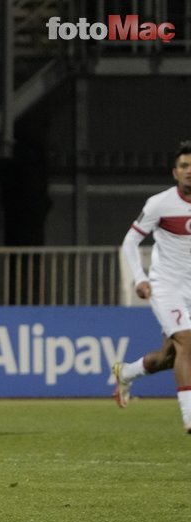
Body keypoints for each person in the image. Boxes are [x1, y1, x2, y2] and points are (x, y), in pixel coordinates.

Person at [113, 140, 191, 432]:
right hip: (166, 285)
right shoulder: (160, 204)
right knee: (188, 341)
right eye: (184, 166)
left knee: (170, 357)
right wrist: (140, 277)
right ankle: (189, 416)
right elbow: (131, 241)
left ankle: (126, 373)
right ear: (175, 172)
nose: (189, 171)